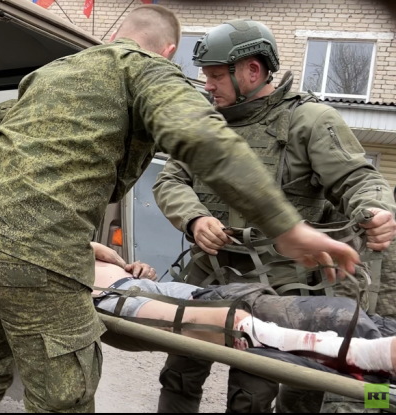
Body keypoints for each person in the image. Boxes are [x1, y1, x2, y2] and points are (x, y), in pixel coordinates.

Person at [0, 5, 360, 413]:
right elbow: (203, 138)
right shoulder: (145, 68)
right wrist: (286, 227)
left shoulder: (54, 71)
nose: (207, 84)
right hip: (34, 251)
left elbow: (7, 131)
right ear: (169, 52)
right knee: (64, 398)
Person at [152, 19, 396, 413]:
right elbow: (170, 180)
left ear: (252, 70)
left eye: (216, 75)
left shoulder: (309, 121)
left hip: (278, 290)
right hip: (209, 276)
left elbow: (358, 179)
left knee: (252, 394)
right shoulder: (205, 122)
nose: (207, 85)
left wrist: (377, 212)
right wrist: (195, 219)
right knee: (179, 373)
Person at [90, 246, 396, 379]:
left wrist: (129, 265)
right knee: (234, 328)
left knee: (251, 304)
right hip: (107, 300)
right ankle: (372, 358)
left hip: (134, 285)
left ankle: (377, 355)